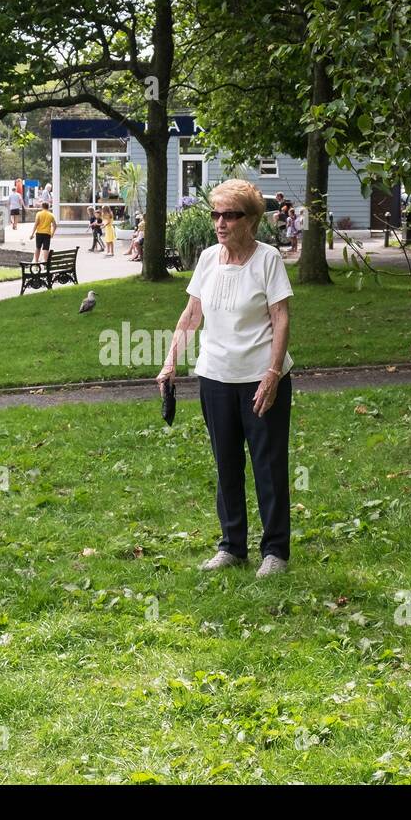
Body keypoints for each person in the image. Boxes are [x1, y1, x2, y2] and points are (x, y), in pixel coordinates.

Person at [157, 179, 294, 579]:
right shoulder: (207, 259)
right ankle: (232, 546)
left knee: (268, 465)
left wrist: (272, 372)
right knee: (226, 464)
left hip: (261, 379)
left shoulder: (267, 260)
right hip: (215, 376)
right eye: (215, 214)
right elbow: (191, 314)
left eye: (230, 215)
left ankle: (275, 552)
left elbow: (281, 317)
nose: (220, 222)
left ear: (251, 220)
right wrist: (170, 363)